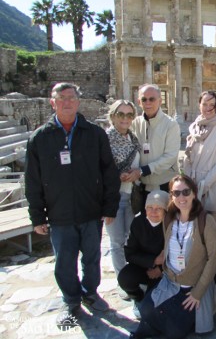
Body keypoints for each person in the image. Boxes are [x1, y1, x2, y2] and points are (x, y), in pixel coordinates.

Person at [24, 83, 120, 326]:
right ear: (52, 102)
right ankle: (71, 301)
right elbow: (32, 180)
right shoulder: (40, 138)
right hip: (59, 212)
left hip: (90, 209)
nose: (67, 102)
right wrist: (37, 217)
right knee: (64, 261)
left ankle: (90, 293)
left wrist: (110, 207)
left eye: (71, 98)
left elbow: (108, 171)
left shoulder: (94, 134)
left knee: (92, 258)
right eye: (62, 98)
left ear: (78, 102)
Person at [131, 175, 216, 339]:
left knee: (175, 330)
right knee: (145, 310)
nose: (181, 197)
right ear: (171, 196)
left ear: (194, 193)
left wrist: (198, 292)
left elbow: (214, 258)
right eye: (176, 193)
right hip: (170, 282)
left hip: (193, 286)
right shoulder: (170, 219)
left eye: (185, 192)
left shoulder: (205, 221)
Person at [183, 91, 216, 245]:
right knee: (195, 240)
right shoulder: (194, 128)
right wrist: (189, 181)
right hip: (194, 187)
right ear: (199, 105)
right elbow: (187, 156)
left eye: (212, 104)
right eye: (205, 104)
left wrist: (204, 184)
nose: (208, 108)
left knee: (215, 240)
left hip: (214, 188)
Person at [105, 99, 141, 283]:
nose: (125, 118)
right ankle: (123, 280)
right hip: (113, 198)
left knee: (130, 240)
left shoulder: (132, 138)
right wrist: (117, 176)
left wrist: (136, 173)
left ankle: (132, 276)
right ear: (112, 116)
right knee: (117, 242)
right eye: (121, 114)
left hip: (131, 196)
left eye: (129, 114)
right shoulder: (106, 138)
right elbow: (100, 169)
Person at [118, 190, 168, 319]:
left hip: (165, 271)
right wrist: (153, 261)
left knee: (152, 307)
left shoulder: (171, 224)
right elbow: (129, 253)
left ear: (166, 210)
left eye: (159, 208)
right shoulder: (138, 222)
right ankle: (138, 298)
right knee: (125, 278)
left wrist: (161, 269)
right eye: (150, 207)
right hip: (143, 266)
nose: (153, 212)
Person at [131, 84, 181, 207]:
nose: (148, 102)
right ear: (139, 102)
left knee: (165, 224)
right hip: (142, 187)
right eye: (144, 99)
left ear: (160, 101)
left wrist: (144, 170)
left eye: (152, 99)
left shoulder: (171, 125)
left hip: (164, 184)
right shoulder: (135, 123)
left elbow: (170, 157)